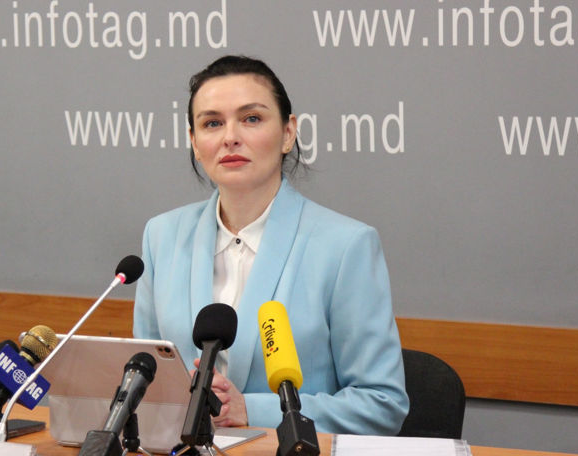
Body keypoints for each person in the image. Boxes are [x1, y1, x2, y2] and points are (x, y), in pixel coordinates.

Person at [133, 55, 408, 435]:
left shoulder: (346, 246)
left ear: (288, 133)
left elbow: (381, 404)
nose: (230, 137)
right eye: (212, 123)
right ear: (194, 143)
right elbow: (146, 377)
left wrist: (252, 410)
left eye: (251, 119)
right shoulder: (162, 236)